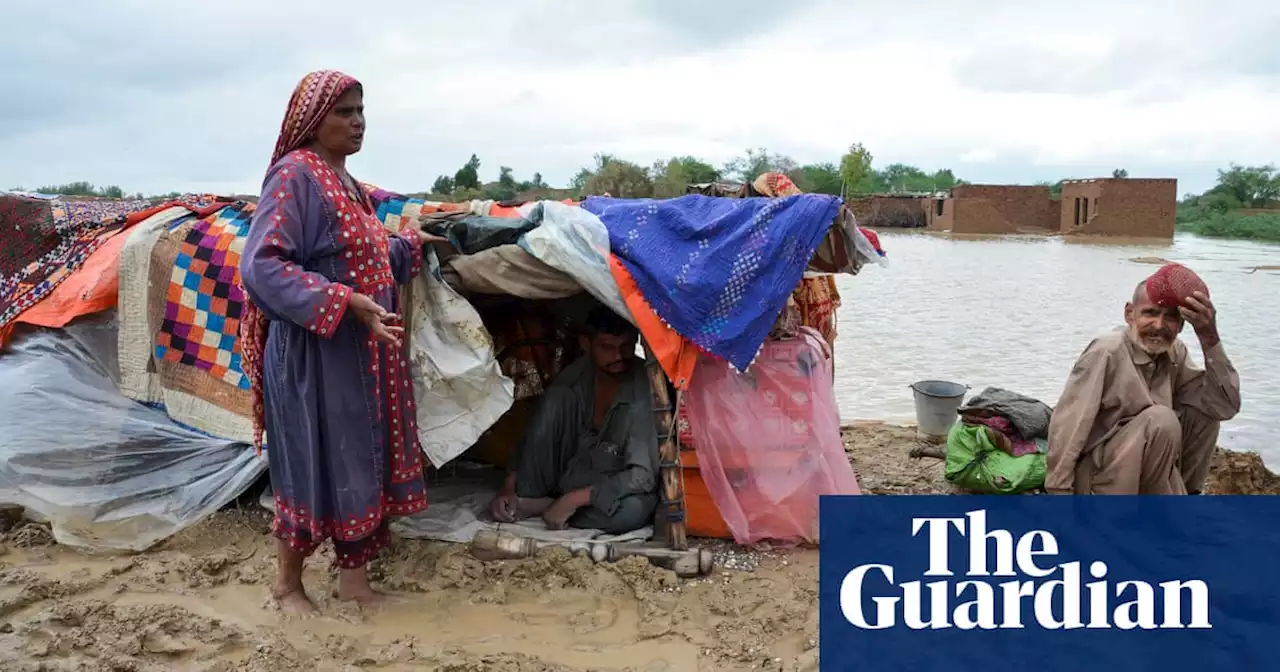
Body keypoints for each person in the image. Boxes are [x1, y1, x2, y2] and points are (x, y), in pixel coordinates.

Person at [239, 70, 442, 612]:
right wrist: (343, 301)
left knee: (360, 460)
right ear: (312, 120)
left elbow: (365, 257)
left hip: (362, 354)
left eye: (361, 111)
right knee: (311, 460)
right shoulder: (294, 177)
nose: (357, 122)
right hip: (316, 355)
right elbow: (261, 267)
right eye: (343, 112)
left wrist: (406, 244)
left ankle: (355, 585)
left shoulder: (346, 183)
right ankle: (287, 586)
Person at [1045, 277, 1241, 495]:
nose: (1159, 326)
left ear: (1182, 324)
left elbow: (1223, 406)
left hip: (1147, 471)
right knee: (1161, 420)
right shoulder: (1107, 351)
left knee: (1205, 414)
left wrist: (1209, 337)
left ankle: (1186, 498)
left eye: (1171, 318)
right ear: (1130, 313)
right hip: (1099, 479)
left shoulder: (1175, 352)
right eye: (1150, 313)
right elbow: (1069, 425)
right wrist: (1058, 494)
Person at [487, 306, 660, 533]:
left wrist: (577, 499)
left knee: (633, 511)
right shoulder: (576, 375)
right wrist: (508, 489)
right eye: (607, 347)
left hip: (611, 485)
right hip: (569, 474)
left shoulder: (643, 390)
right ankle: (531, 499)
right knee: (555, 399)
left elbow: (643, 477)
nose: (618, 356)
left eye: (626, 347)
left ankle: (547, 506)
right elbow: (533, 436)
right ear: (586, 344)